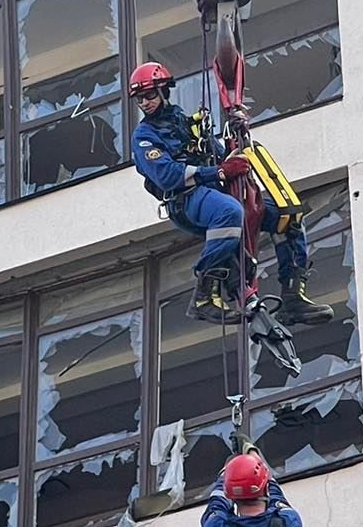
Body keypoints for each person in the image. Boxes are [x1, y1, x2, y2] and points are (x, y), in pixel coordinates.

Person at [127, 62, 334, 328]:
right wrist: (220, 173)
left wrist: (235, 137)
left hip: (212, 191)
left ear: (164, 91)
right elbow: (167, 175)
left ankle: (293, 295)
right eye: (140, 98)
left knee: (288, 214)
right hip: (185, 199)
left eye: (149, 95)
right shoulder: (144, 136)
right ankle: (204, 296)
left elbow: (218, 156)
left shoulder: (182, 120)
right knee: (229, 212)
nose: (144, 103)